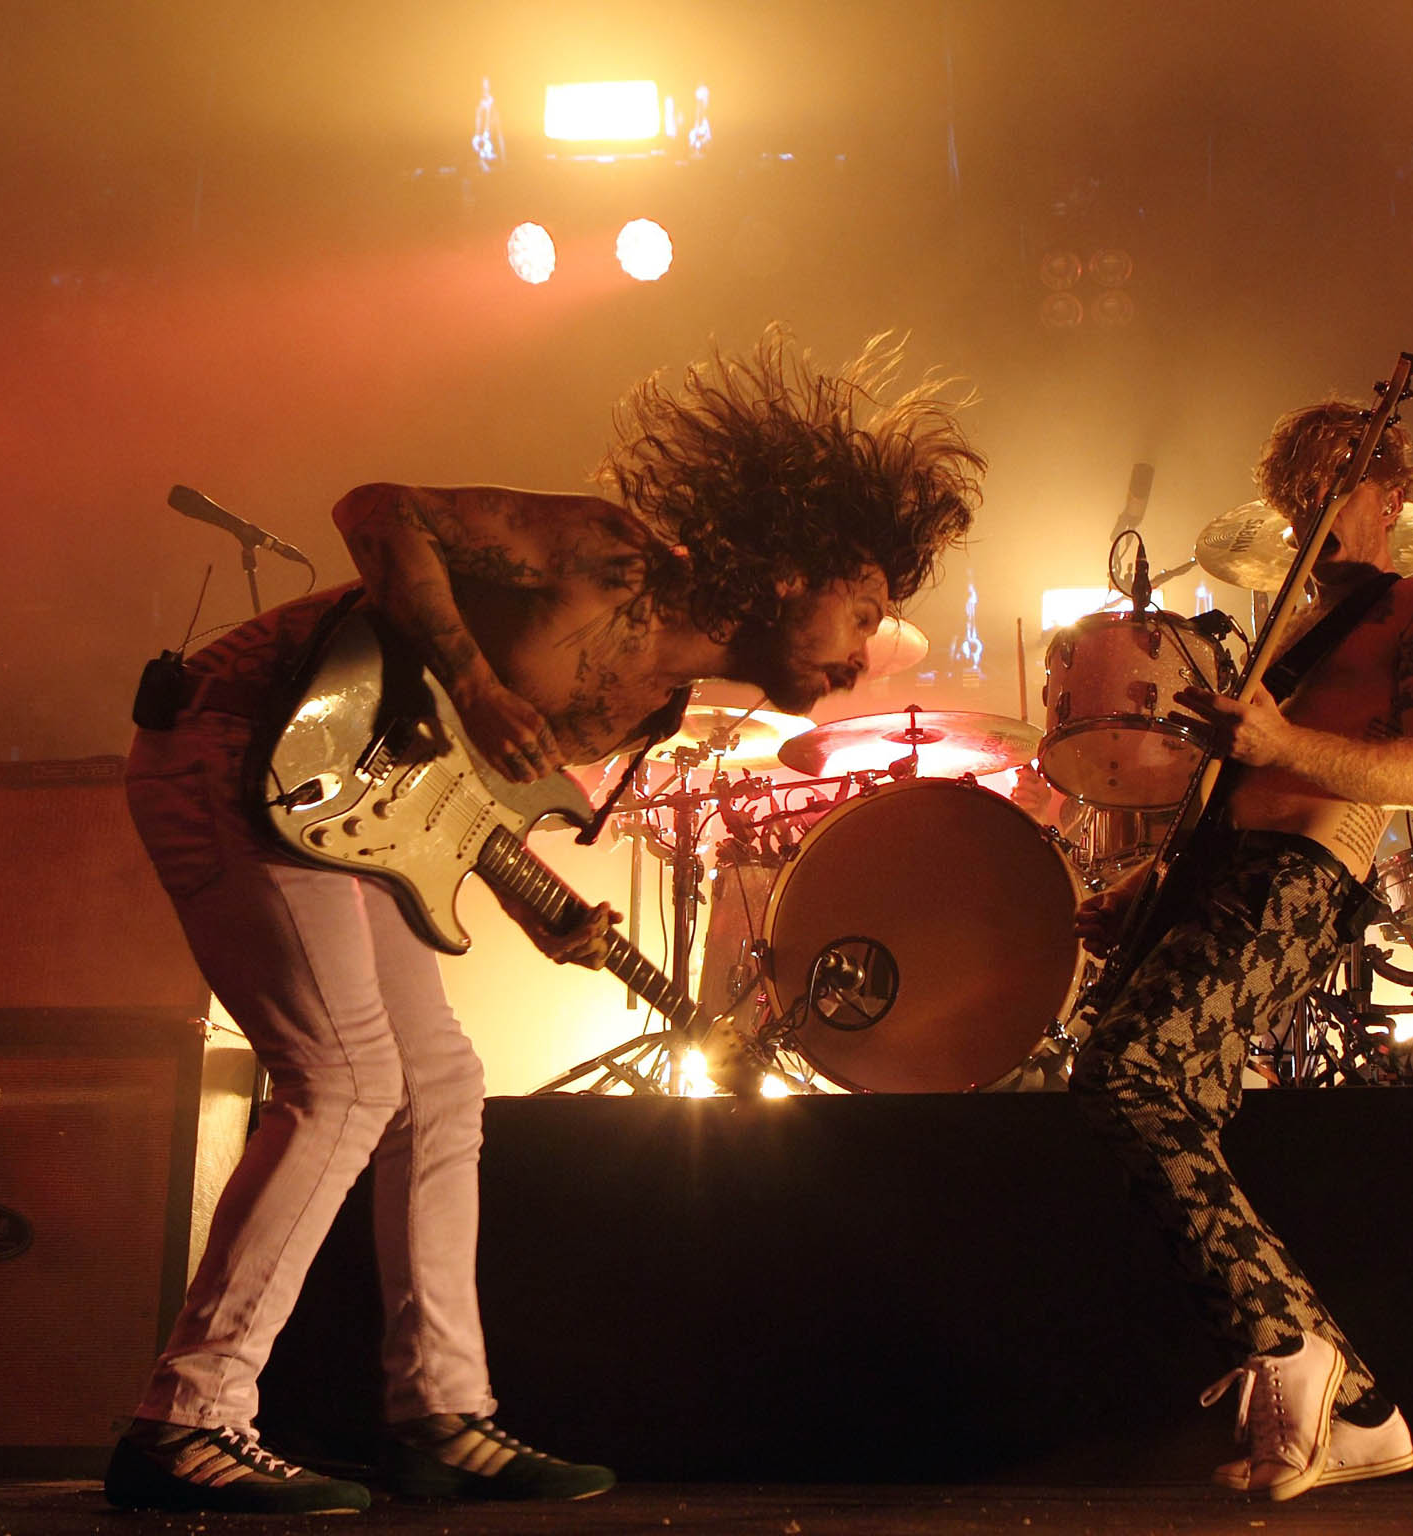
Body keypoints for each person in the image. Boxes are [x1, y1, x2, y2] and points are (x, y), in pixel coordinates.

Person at [106, 331, 982, 1514]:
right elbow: (377, 511)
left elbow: (447, 794)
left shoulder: (654, 703)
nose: (864, 651)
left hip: (333, 808)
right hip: (233, 747)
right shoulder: (610, 559)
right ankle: (186, 1423)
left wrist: (537, 903)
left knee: (439, 1088)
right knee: (349, 1080)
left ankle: (441, 1419)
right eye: (865, 607)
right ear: (795, 571)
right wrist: (474, 678)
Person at [1071, 399, 1413, 1501]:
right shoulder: (1286, 636)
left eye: (1330, 494)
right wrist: (1150, 883)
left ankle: (1288, 1353)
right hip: (1227, 874)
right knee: (1135, 1088)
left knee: (1129, 1074)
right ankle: (1364, 1410)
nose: (1308, 522)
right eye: (1297, 502)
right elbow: (1232, 790)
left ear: (1388, 497)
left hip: (1304, 879)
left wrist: (1284, 738)